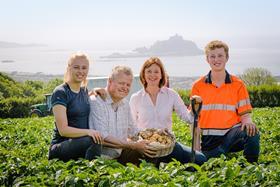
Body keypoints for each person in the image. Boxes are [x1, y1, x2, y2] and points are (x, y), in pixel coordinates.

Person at [191, 40, 260, 163]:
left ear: (227, 57)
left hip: (231, 136)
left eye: (220, 55)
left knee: (252, 131)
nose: (216, 59)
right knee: (202, 161)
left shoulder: (238, 84)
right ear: (207, 59)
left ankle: (251, 166)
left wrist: (248, 122)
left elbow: (245, 114)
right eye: (212, 56)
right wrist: (196, 149)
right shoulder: (198, 86)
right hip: (209, 141)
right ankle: (218, 153)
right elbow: (194, 121)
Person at [129, 57, 207, 166]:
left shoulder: (171, 94)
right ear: (143, 74)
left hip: (168, 145)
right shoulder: (136, 98)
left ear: (161, 75)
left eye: (156, 71)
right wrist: (138, 143)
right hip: (145, 147)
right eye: (149, 71)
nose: (153, 75)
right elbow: (131, 125)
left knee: (201, 159)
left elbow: (188, 118)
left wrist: (196, 105)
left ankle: (168, 163)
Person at [88, 65, 158, 166]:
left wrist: (153, 137)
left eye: (128, 85)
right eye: (121, 83)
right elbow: (102, 138)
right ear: (110, 81)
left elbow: (133, 131)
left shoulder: (125, 104)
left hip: (120, 154)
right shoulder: (97, 101)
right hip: (101, 159)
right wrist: (133, 145)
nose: (125, 87)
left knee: (151, 152)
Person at [48, 53, 103, 162]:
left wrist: (95, 91)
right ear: (69, 68)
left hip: (81, 143)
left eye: (84, 68)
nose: (81, 71)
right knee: (93, 140)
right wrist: (88, 132)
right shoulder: (60, 92)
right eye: (76, 67)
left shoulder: (84, 91)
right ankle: (93, 173)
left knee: (97, 138)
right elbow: (63, 130)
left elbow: (80, 103)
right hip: (61, 146)